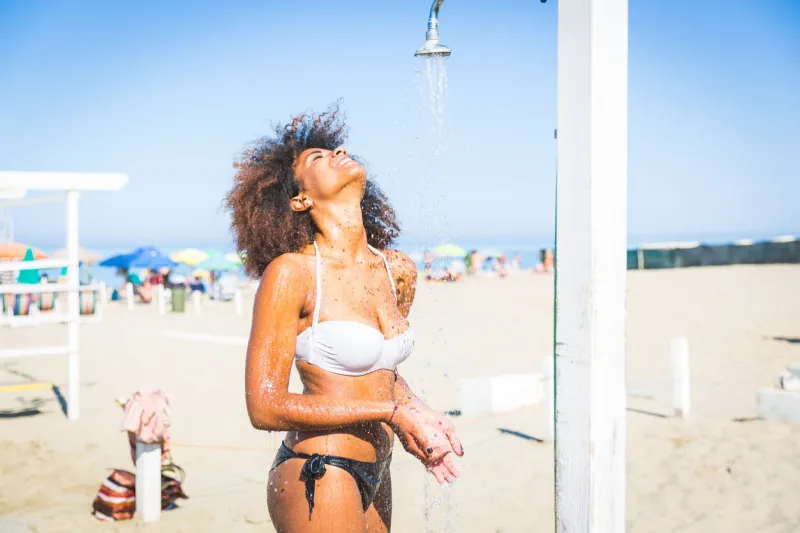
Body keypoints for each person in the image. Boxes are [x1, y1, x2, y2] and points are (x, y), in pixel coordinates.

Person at [225, 105, 463, 533]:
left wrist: (418, 413)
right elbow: (264, 406)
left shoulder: (397, 269)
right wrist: (390, 412)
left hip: (380, 467)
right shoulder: (292, 273)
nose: (337, 151)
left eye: (334, 148)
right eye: (317, 158)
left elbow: (382, 373)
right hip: (319, 469)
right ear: (300, 199)